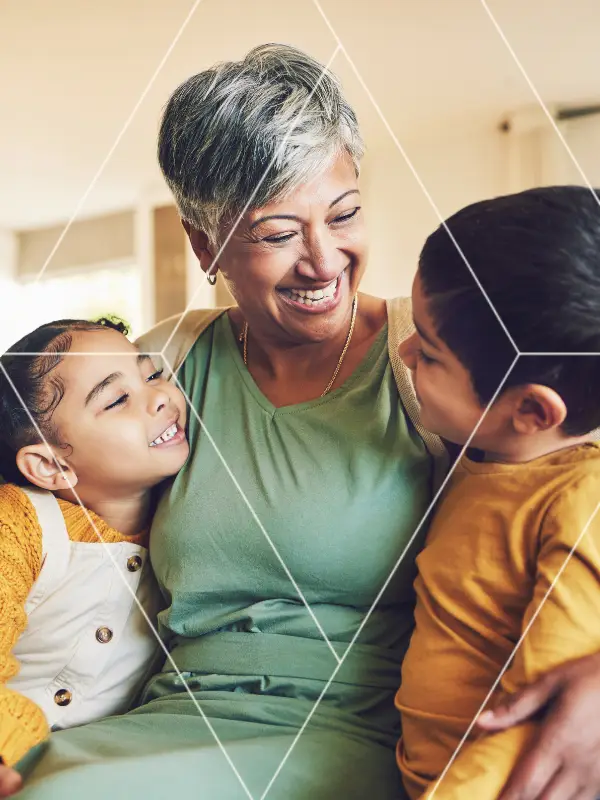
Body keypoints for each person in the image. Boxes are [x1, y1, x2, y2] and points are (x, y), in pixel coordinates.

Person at [12, 46, 600, 800]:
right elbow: (29, 529)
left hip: (346, 738)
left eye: (345, 214)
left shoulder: (439, 371)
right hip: (151, 718)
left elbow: (572, 499)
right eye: (278, 232)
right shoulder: (160, 366)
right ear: (206, 245)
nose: (324, 260)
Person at [396, 185, 600, 799]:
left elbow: (540, 719)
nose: (402, 351)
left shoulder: (577, 504)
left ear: (533, 411)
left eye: (428, 354)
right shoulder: (482, 455)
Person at [0, 317, 189, 795]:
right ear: (50, 464)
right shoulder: (19, 522)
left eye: (150, 375)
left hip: (100, 767)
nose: (161, 395)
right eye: (118, 399)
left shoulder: (187, 530)